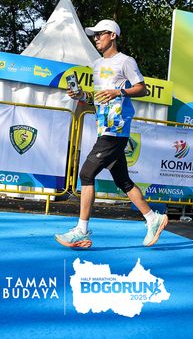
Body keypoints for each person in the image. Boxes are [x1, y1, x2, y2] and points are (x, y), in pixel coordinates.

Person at [55, 19, 168, 249]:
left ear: (113, 36)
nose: (96, 38)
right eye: (94, 35)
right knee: (123, 181)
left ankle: (81, 230)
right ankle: (152, 218)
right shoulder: (97, 64)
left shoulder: (126, 61)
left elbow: (142, 88)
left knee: (86, 174)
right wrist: (81, 96)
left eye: (100, 34)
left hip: (116, 129)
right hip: (103, 127)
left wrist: (119, 92)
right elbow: (99, 98)